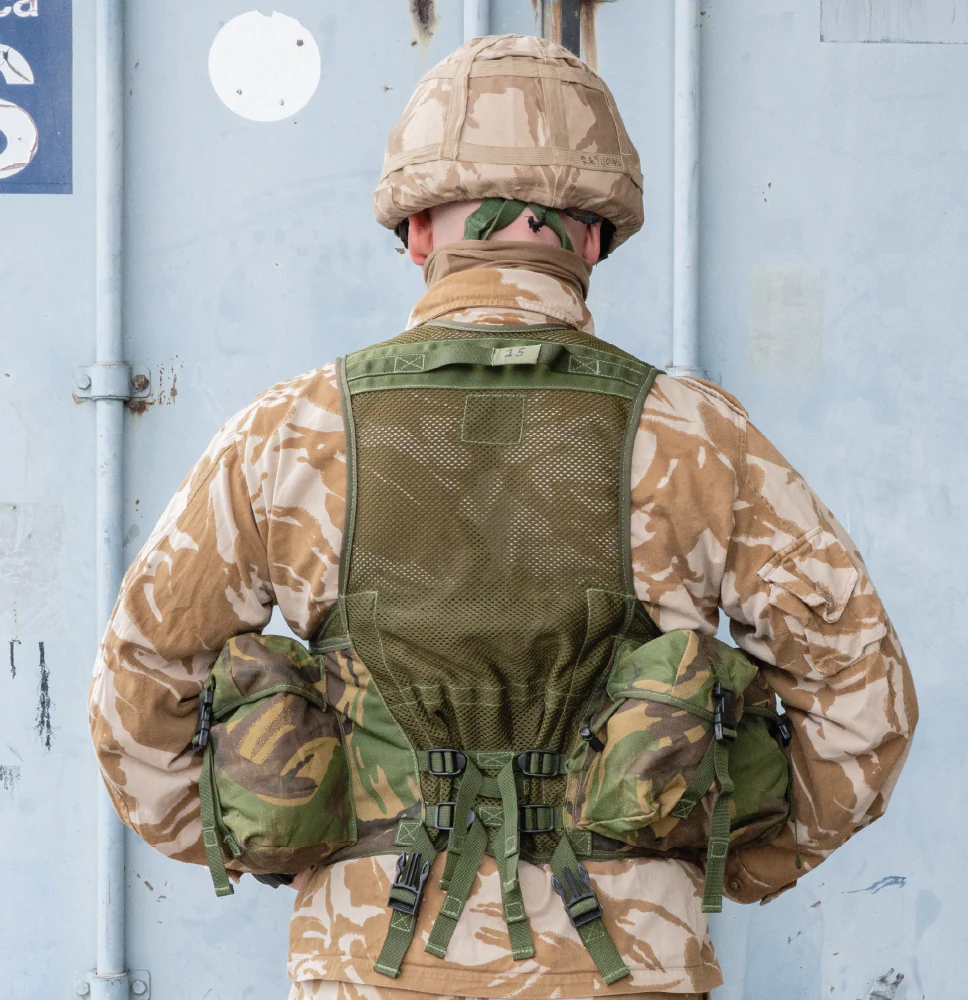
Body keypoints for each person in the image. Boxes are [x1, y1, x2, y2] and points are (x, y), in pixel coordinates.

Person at [89, 34, 917, 1000]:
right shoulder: (700, 438)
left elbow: (135, 699)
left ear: (418, 233)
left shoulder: (291, 433)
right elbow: (865, 706)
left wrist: (296, 851)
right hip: (627, 964)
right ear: (596, 236)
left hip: (368, 964)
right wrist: (704, 863)